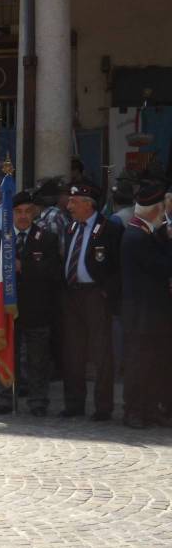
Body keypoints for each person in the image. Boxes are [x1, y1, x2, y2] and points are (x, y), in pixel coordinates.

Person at [0, 190, 63, 416]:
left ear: (35, 213)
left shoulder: (46, 238)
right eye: (18, 212)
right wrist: (5, 263)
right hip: (6, 310)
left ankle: (38, 401)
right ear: (10, 213)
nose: (23, 216)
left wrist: (23, 267)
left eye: (28, 211)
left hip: (37, 309)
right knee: (8, 353)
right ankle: (5, 397)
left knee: (38, 360)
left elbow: (54, 271)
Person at [60, 182, 122, 421]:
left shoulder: (109, 228)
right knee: (72, 351)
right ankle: (74, 403)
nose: (69, 205)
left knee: (101, 352)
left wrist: (107, 292)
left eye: (74, 202)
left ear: (88, 204)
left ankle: (103, 407)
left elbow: (118, 266)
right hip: (72, 294)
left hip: (96, 295)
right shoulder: (71, 227)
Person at [119, 178, 172, 428]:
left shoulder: (146, 232)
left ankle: (150, 409)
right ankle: (134, 411)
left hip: (152, 314)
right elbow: (163, 267)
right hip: (140, 314)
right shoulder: (135, 237)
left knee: (154, 364)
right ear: (154, 211)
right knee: (138, 365)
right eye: (162, 211)